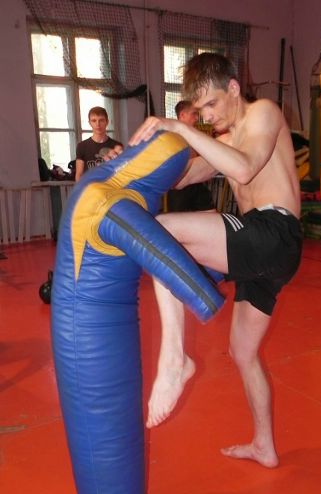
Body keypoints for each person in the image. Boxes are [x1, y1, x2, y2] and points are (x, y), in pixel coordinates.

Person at [129, 52, 302, 468]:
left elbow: (244, 169)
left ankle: (176, 358)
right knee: (242, 352)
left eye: (211, 104)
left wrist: (181, 128)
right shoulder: (225, 140)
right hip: (261, 256)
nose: (207, 115)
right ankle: (264, 446)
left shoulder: (264, 113)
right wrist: (129, 166)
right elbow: (186, 175)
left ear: (234, 88)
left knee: (163, 231)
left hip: (274, 232)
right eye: (200, 109)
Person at [166, 100, 215, 212]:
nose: (197, 118)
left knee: (210, 214)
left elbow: (198, 157)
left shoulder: (193, 135)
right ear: (182, 115)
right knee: (178, 220)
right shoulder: (171, 136)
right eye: (194, 114)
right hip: (180, 187)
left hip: (196, 183)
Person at [75, 106, 122, 181]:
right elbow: (79, 174)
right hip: (90, 187)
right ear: (90, 123)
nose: (98, 124)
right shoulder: (82, 146)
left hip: (111, 186)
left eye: (101, 120)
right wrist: (79, 188)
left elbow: (121, 172)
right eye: (94, 121)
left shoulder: (116, 146)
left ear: (107, 122)